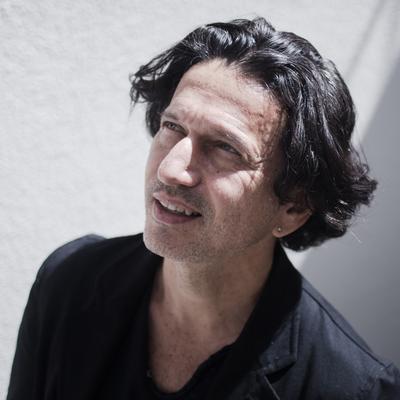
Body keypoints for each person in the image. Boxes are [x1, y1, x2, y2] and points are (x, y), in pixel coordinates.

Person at [7, 17, 400, 400]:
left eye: (225, 147)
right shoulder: (69, 281)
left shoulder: (353, 387)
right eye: (172, 127)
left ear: (294, 206)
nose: (171, 169)